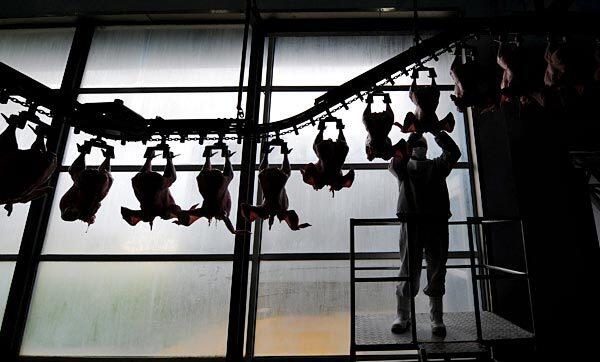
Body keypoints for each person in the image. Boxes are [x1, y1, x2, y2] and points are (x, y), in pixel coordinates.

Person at [388, 129, 461, 337]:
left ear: (427, 148)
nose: (419, 146)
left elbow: (453, 152)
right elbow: (393, 161)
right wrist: (413, 137)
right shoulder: (403, 168)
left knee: (437, 269)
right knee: (408, 268)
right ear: (410, 149)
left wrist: (436, 131)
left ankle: (436, 318)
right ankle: (403, 315)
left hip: (435, 222)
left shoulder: (437, 166)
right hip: (413, 222)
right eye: (415, 144)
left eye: (421, 143)